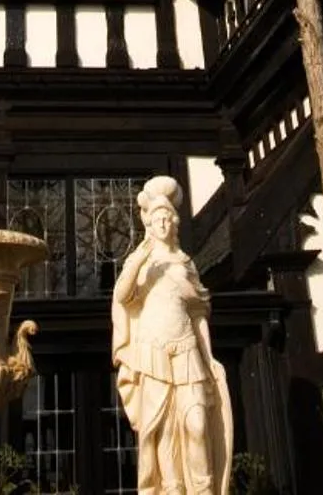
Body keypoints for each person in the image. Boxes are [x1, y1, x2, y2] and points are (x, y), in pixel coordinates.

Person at [110, 176, 233, 495]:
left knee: (197, 423)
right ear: (149, 223)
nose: (163, 223)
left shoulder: (185, 262)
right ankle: (172, 488)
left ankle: (203, 489)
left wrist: (210, 359)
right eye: (157, 219)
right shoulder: (143, 263)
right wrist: (140, 258)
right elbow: (122, 296)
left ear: (174, 222)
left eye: (167, 218)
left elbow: (198, 314)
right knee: (161, 427)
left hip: (187, 350)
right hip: (153, 350)